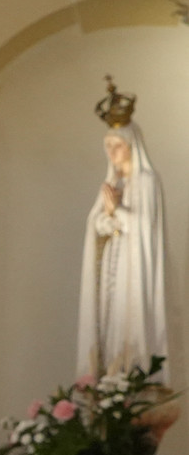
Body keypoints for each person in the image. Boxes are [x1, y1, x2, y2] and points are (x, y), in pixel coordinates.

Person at [79, 79, 170, 383]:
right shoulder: (111, 184)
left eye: (117, 145)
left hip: (135, 269)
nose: (112, 152)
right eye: (108, 146)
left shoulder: (147, 181)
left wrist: (117, 211)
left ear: (132, 145)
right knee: (110, 323)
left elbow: (145, 229)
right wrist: (106, 216)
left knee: (130, 323)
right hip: (112, 267)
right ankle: (110, 375)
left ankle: (133, 376)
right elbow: (97, 226)